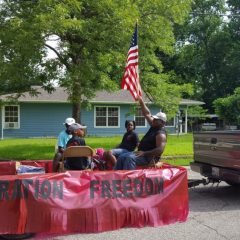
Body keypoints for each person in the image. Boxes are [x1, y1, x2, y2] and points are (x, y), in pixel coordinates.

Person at [114, 97, 167, 170]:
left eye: (156, 119)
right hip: (141, 154)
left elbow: (160, 150)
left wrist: (144, 153)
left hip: (149, 158)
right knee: (122, 157)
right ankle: (116, 176)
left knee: (129, 158)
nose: (154, 119)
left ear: (162, 122)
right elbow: (147, 114)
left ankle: (129, 179)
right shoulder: (154, 125)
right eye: (154, 118)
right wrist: (141, 101)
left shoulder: (161, 134)